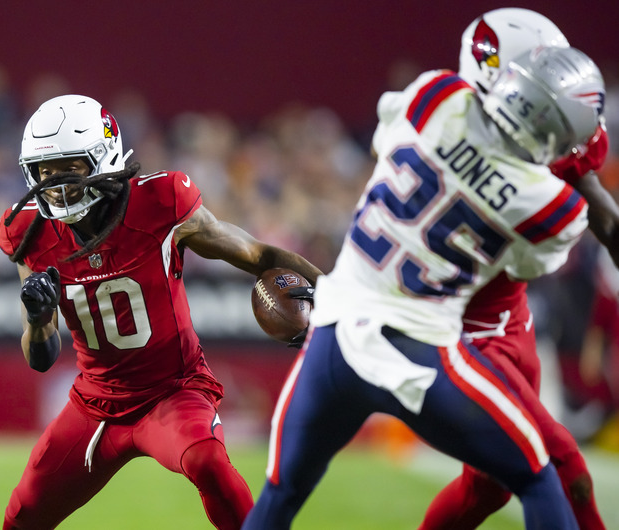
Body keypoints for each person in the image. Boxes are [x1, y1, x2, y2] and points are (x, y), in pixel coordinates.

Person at [241, 46, 605, 530]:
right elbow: (519, 269)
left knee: (279, 497)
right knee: (539, 476)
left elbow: (385, 140)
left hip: (333, 340)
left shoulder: (438, 97)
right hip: (425, 354)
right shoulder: (553, 205)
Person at [0, 94, 323, 530]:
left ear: (102, 157)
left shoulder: (159, 202)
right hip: (96, 403)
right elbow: (40, 358)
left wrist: (338, 295)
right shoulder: (30, 232)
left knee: (208, 460)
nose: (54, 185)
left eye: (68, 169)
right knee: (23, 514)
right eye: (44, 172)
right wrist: (38, 318)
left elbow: (255, 252)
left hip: (173, 391)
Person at [420, 9, 613, 529]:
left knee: (489, 488)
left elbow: (598, 205)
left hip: (513, 320)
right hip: (455, 332)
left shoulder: (550, 135)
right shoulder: (440, 124)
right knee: (565, 467)